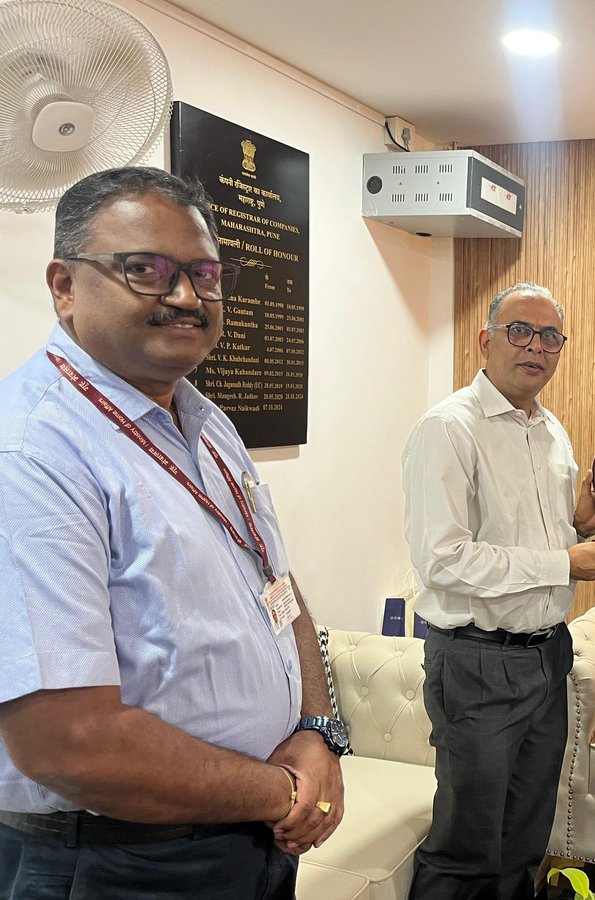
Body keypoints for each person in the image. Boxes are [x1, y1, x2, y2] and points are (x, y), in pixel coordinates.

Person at [0, 167, 346, 899]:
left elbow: (275, 584)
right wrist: (283, 792)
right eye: (146, 271)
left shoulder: (206, 423)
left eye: (205, 274)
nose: (187, 296)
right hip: (118, 863)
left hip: (249, 836)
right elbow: (70, 743)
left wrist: (318, 731)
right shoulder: (32, 452)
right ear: (64, 286)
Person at [402, 282, 595, 900]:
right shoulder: (448, 428)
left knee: (526, 838)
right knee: (467, 847)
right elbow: (443, 560)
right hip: (477, 661)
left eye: (551, 336)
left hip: (548, 655)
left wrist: (583, 525)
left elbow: (542, 537)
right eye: (520, 331)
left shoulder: (550, 430)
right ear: (487, 340)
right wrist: (564, 561)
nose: (536, 347)